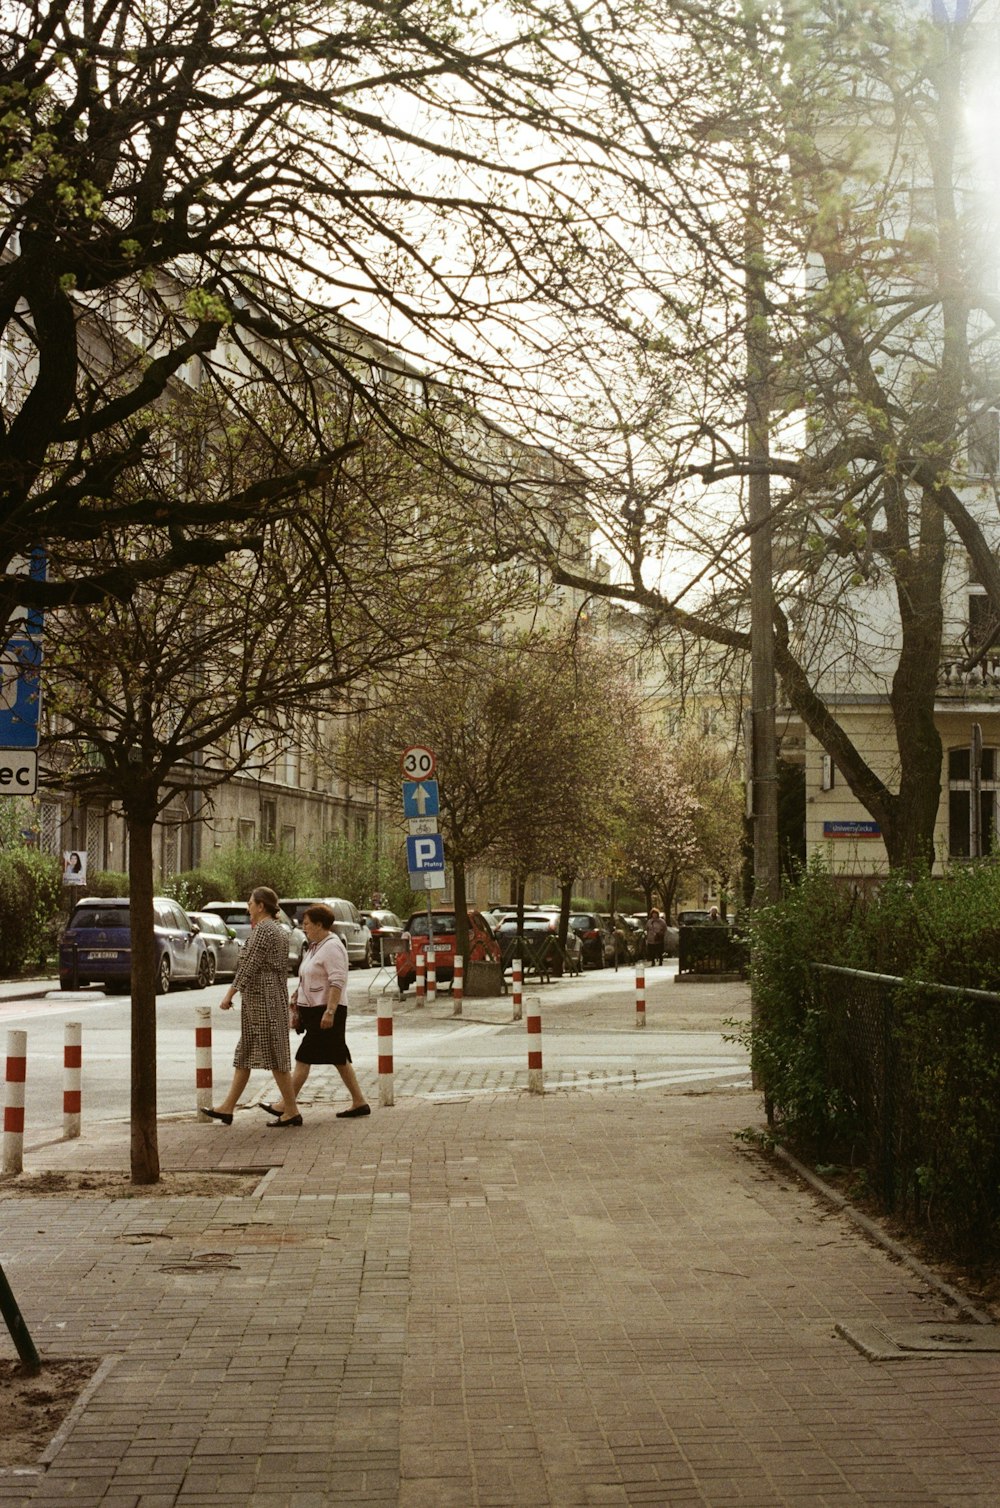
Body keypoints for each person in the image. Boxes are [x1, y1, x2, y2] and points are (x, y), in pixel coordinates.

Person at [202, 886, 302, 1128]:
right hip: (269, 995)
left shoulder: (264, 931)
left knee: (275, 1055)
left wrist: (229, 994)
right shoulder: (277, 930)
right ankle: (227, 1108)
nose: (248, 908)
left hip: (263, 999)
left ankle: (291, 1110)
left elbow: (249, 966)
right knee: (245, 1053)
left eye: (249, 903)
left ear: (260, 906)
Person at [260, 902, 370, 1121]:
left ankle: (286, 1106)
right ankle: (359, 1102)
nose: (304, 928)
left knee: (304, 1057)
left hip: (326, 1011)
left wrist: (330, 1011)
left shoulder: (332, 946)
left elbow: (337, 980)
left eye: (308, 924)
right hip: (315, 1010)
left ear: (320, 924)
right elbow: (308, 976)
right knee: (339, 1056)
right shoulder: (316, 946)